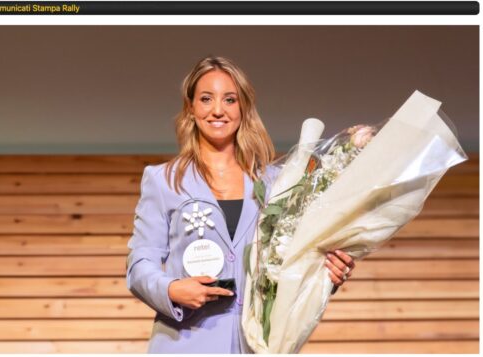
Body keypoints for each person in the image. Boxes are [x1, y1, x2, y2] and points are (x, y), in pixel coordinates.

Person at [126, 55, 355, 354]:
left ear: (243, 108)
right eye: (206, 99)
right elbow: (139, 265)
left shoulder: (278, 183)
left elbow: (292, 261)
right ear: (191, 108)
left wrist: (327, 273)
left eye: (230, 99)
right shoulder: (163, 180)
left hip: (258, 344)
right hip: (185, 342)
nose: (218, 110)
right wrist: (171, 289)